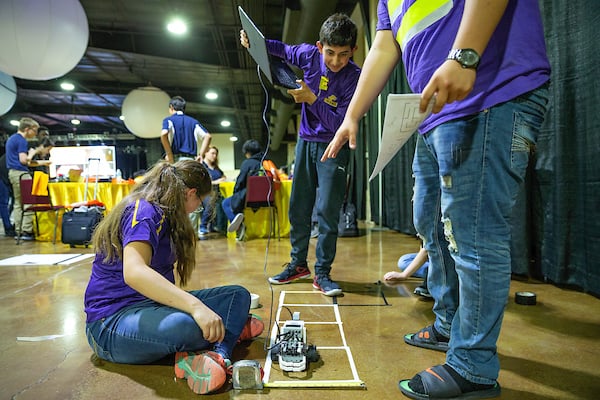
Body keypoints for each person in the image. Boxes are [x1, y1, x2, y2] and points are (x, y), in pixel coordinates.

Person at [322, 1, 551, 398]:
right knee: (430, 223)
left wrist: (465, 55)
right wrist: (353, 114)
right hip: (431, 113)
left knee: (474, 235)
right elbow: (384, 47)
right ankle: (448, 322)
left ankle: (473, 366)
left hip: (489, 93)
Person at [84, 160, 264, 395]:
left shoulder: (165, 215)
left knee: (237, 295)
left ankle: (217, 354)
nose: (195, 209)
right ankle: (226, 337)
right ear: (190, 194)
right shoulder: (145, 211)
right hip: (110, 324)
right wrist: (196, 307)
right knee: (188, 325)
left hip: (147, 308)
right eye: (199, 204)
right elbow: (135, 272)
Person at [241, 13, 361, 296]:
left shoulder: (355, 78)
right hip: (306, 142)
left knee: (328, 213)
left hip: (334, 146)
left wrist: (311, 99)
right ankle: (298, 264)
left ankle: (322, 272)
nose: (335, 61)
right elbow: (278, 48)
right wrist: (253, 44)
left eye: (343, 55)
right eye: (330, 53)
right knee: (298, 207)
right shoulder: (307, 55)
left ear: (353, 51)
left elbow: (339, 125)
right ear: (320, 47)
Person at [221, 139, 263, 241]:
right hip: (266, 198)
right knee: (237, 201)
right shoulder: (265, 162)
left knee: (226, 203)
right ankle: (239, 224)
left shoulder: (247, 163)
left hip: (248, 197)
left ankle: (239, 225)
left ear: (247, 152)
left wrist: (236, 191)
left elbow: (240, 181)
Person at [6, 117, 40, 241]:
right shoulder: (21, 141)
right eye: (34, 131)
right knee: (28, 202)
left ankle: (19, 230)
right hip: (21, 174)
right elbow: (23, 160)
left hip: (13, 173)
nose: (35, 134)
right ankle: (27, 230)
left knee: (18, 203)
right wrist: (31, 153)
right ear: (27, 129)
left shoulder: (11, 139)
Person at [160, 96, 212, 164]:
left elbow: (164, 134)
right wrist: (201, 155)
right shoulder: (194, 122)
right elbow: (208, 136)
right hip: (192, 160)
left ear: (171, 107)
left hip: (177, 160)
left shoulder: (169, 120)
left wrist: (169, 154)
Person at [199, 145, 227, 236]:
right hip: (205, 193)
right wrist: (215, 182)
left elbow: (223, 177)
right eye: (212, 153)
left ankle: (216, 226)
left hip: (217, 192)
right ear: (206, 153)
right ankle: (203, 226)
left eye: (216, 154)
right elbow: (202, 182)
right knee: (211, 202)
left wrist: (223, 179)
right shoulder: (202, 166)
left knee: (223, 202)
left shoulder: (216, 168)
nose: (214, 156)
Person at [0, 152, 15, 237]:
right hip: (3, 176)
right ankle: (8, 227)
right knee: (3, 203)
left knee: (6, 203)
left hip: (4, 176)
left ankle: (8, 225)